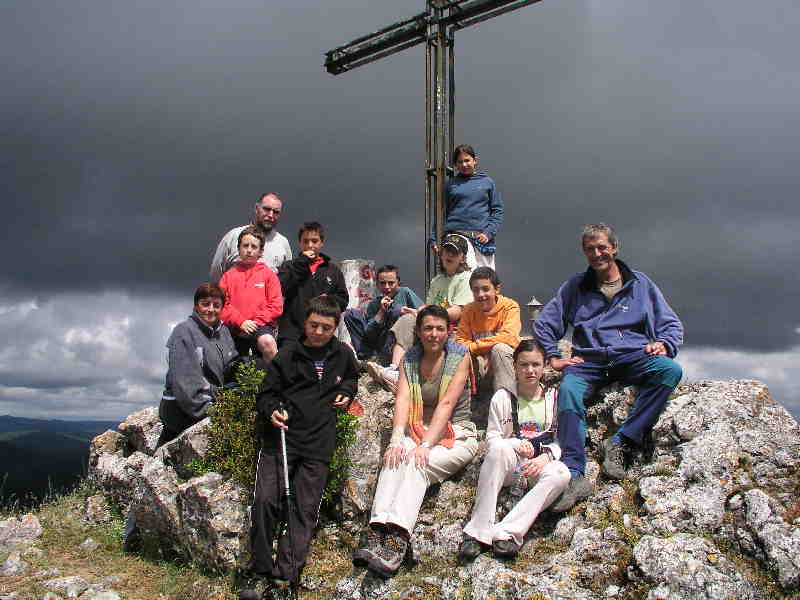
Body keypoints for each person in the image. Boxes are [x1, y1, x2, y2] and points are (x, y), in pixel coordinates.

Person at [534, 223, 684, 513]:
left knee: (669, 370)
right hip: (589, 361)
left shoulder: (640, 284)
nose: (597, 254)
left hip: (630, 356)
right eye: (590, 249)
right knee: (568, 390)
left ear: (614, 248)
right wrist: (553, 355)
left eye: (602, 247)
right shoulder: (575, 287)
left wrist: (665, 343)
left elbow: (670, 323)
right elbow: (545, 324)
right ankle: (574, 473)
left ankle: (621, 441)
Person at [241, 296, 359, 600]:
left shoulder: (343, 354)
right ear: (304, 323)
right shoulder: (287, 355)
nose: (318, 332)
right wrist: (271, 410)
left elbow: (352, 378)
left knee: (304, 510)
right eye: (313, 325)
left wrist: (347, 391)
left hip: (319, 443)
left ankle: (285, 579)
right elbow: (265, 394)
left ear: (335, 327)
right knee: (265, 501)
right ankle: (259, 572)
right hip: (281, 439)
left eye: (326, 327)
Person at [353, 306, 479, 578]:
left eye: (440, 328)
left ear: (448, 331)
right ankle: (377, 529)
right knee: (395, 456)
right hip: (419, 427)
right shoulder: (410, 358)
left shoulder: (459, 357)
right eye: (428, 328)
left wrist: (426, 445)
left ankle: (397, 537)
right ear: (418, 332)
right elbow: (403, 398)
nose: (434, 334)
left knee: (417, 464)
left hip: (456, 433)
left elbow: (447, 403)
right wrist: (397, 438)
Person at [459, 340, 569, 561]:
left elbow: (561, 440)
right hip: (510, 463)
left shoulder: (555, 398)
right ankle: (478, 531)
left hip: (538, 465)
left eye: (536, 364)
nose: (530, 370)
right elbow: (492, 438)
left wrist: (546, 457)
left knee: (561, 474)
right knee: (499, 449)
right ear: (514, 366)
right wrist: (515, 445)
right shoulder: (502, 397)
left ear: (545, 366)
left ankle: (508, 532)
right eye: (524, 365)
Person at [367, 234, 473, 392]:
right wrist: (418, 312)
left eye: (454, 252)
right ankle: (395, 370)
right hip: (433, 323)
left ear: (462, 258)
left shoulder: (466, 278)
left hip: (453, 328)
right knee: (407, 319)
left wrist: (426, 312)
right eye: (446, 251)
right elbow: (429, 306)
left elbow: (458, 311)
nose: (449, 255)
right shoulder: (437, 280)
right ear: (441, 254)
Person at [158, 283, 238, 447]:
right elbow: (185, 384)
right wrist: (212, 412)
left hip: (211, 398)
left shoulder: (224, 332)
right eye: (205, 304)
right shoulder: (184, 332)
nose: (211, 309)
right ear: (196, 306)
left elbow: (231, 365)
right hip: (181, 406)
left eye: (216, 305)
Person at [276, 222, 349, 345]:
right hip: (292, 333)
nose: (310, 245)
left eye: (314, 241)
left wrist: (328, 300)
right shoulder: (289, 266)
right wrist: (301, 263)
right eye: (305, 241)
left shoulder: (333, 270)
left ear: (321, 243)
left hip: (321, 333)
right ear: (300, 243)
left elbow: (343, 299)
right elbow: (280, 288)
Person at [432, 144, 503, 269]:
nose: (464, 165)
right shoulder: (451, 185)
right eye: (460, 162)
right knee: (463, 275)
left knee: (484, 277)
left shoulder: (487, 182)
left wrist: (488, 233)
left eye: (467, 160)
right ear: (455, 165)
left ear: (475, 161)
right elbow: (440, 213)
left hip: (481, 240)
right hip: (457, 236)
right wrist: (434, 239)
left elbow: (497, 211)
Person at [218, 226, 283, 361]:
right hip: (234, 327)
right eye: (245, 245)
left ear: (261, 252)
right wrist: (241, 322)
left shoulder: (269, 275)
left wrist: (254, 323)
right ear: (238, 248)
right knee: (219, 351)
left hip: (261, 326)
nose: (249, 250)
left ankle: (274, 374)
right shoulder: (227, 276)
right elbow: (222, 305)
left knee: (268, 342)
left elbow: (276, 306)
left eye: (254, 247)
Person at [455, 267, 521, 394]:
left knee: (500, 349)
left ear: (497, 289)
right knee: (460, 354)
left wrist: (477, 348)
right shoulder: (468, 310)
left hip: (507, 365)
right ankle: (466, 401)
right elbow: (460, 342)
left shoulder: (510, 307)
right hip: (481, 366)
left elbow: (509, 338)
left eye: (485, 289)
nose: (481, 295)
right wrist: (484, 353)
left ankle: (506, 401)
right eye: (476, 290)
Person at [343, 265, 424, 362]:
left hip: (401, 343)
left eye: (391, 283)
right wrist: (381, 312)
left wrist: (409, 311)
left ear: (398, 282)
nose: (387, 287)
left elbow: (424, 312)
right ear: (377, 284)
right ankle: (369, 358)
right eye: (383, 283)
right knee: (351, 314)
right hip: (380, 344)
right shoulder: (374, 304)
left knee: (397, 311)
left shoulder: (405, 292)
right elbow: (369, 333)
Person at [210, 193, 292, 281]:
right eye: (266, 209)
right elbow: (216, 274)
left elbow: (288, 279)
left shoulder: (283, 243)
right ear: (256, 208)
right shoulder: (233, 236)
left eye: (276, 212)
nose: (271, 215)